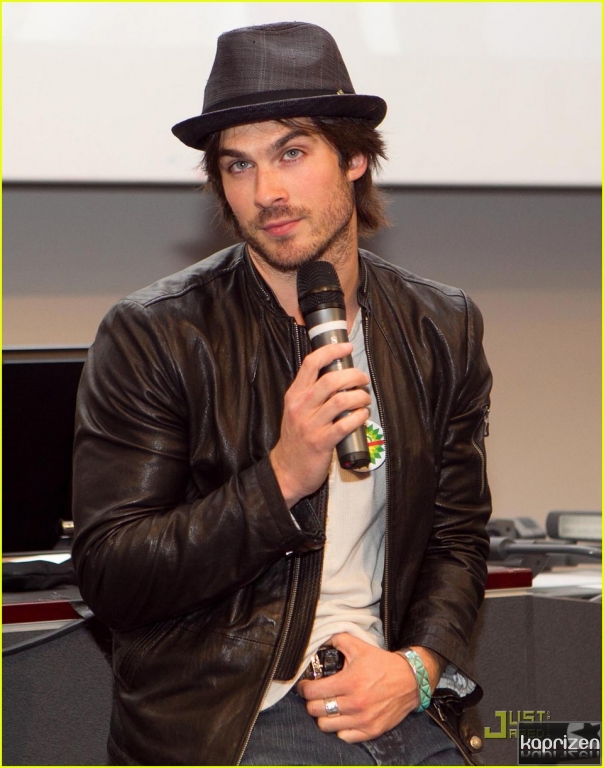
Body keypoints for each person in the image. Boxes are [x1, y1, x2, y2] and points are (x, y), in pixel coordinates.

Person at [72, 21, 492, 767]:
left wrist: (420, 668)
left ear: (355, 158)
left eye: (292, 153)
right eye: (238, 165)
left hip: (395, 694)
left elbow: (456, 537)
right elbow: (113, 576)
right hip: (239, 714)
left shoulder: (442, 325)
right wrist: (281, 479)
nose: (266, 191)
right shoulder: (156, 333)